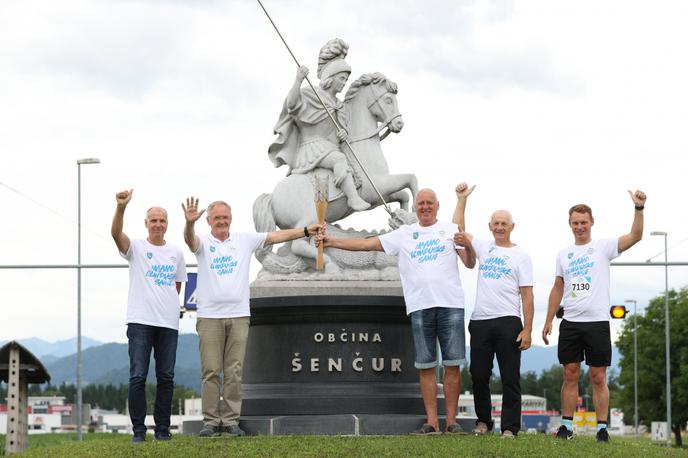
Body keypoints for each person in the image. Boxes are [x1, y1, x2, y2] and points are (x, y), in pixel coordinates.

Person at [316, 188, 476, 434]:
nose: (424, 207)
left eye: (429, 203)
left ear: (437, 205)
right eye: (421, 203)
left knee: (452, 365)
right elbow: (366, 244)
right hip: (420, 306)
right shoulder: (405, 234)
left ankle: (452, 422)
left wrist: (469, 246)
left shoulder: (450, 229)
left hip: (450, 305)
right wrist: (332, 242)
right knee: (426, 366)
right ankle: (432, 422)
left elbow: (469, 262)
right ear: (416, 208)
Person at [182, 197, 323, 437]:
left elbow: (274, 237)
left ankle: (230, 420)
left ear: (231, 219)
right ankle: (210, 421)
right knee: (211, 371)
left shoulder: (244, 240)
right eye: (217, 218)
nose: (222, 222)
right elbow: (190, 240)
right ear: (208, 221)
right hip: (210, 317)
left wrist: (306, 230)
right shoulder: (203, 242)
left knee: (235, 371)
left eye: (225, 217)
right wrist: (189, 224)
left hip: (238, 316)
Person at [542, 190, 646, 443]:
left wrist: (639, 209)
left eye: (583, 222)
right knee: (570, 373)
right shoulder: (563, 254)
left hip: (597, 321)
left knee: (598, 376)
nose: (579, 227)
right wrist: (547, 320)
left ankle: (601, 428)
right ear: (570, 224)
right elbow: (558, 287)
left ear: (591, 222)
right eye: (575, 223)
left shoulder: (603, 247)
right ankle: (567, 426)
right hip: (571, 322)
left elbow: (635, 236)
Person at [452, 183, 534, 439]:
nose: (500, 227)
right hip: (480, 321)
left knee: (510, 377)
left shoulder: (521, 256)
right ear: (490, 227)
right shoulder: (484, 247)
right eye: (496, 223)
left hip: (509, 321)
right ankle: (483, 421)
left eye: (504, 224)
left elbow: (527, 294)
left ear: (512, 227)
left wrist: (528, 328)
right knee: (478, 375)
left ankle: (510, 427)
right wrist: (462, 199)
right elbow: (458, 233)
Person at [110, 189, 187, 444]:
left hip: (168, 323)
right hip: (140, 322)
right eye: (153, 220)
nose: (158, 224)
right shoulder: (137, 248)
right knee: (138, 377)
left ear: (167, 225)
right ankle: (139, 431)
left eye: (162, 220)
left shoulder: (176, 253)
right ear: (146, 224)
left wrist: (164, 305)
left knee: (166, 377)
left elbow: (176, 287)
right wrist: (121, 207)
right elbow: (115, 234)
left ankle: (163, 430)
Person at [268, 37, 370, 212]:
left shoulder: (339, 105)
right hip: (312, 147)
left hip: (329, 146)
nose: (344, 83)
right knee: (339, 159)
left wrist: (343, 135)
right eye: (341, 78)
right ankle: (353, 199)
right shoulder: (312, 94)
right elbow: (292, 105)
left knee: (343, 157)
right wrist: (298, 80)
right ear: (330, 77)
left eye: (346, 79)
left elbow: (339, 132)